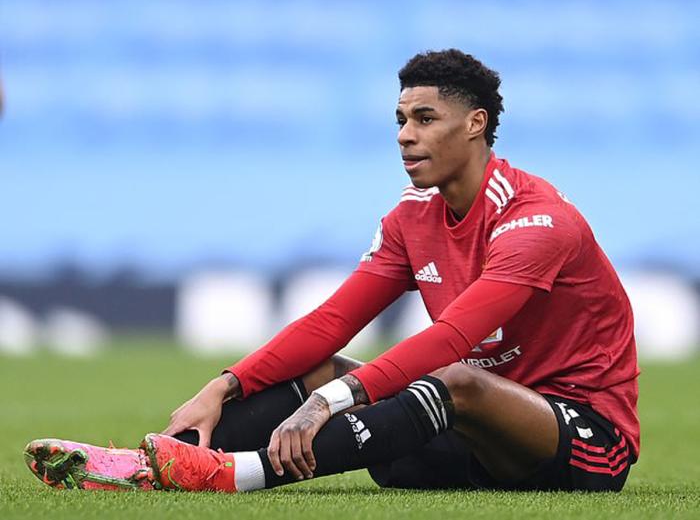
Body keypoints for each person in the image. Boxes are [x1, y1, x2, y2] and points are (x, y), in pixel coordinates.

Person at [24, 49, 639, 493]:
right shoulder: (412, 217)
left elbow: (454, 339)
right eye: (401, 120)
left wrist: (332, 401)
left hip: (579, 439)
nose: (405, 136)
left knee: (456, 379)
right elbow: (331, 322)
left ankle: (235, 476)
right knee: (317, 364)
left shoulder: (537, 221)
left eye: (425, 119)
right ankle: (148, 465)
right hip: (464, 440)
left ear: (475, 123)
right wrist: (224, 385)